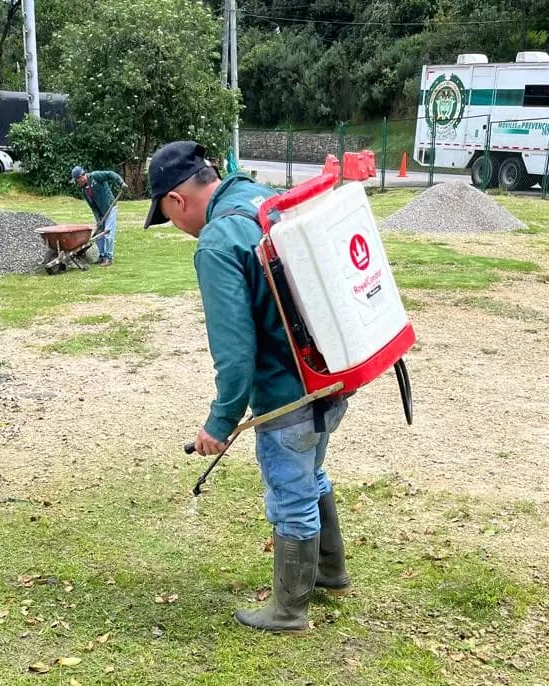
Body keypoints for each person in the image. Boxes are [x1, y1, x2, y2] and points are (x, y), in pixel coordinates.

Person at [143, 140, 349, 634]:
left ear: (176, 200)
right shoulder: (262, 199)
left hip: (286, 393)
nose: (176, 226)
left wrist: (220, 422)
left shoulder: (218, 242)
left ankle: (288, 611)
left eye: (168, 216)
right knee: (310, 474)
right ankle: (330, 570)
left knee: (290, 495)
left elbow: (235, 353)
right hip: (331, 376)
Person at [70, 164, 125, 265]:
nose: (76, 183)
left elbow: (111, 174)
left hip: (110, 207)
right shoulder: (84, 190)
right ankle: (102, 256)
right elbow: (93, 206)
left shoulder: (95, 176)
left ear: (81, 177)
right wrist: (98, 219)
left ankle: (108, 257)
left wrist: (121, 183)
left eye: (76, 180)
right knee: (99, 235)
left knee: (108, 233)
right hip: (100, 213)